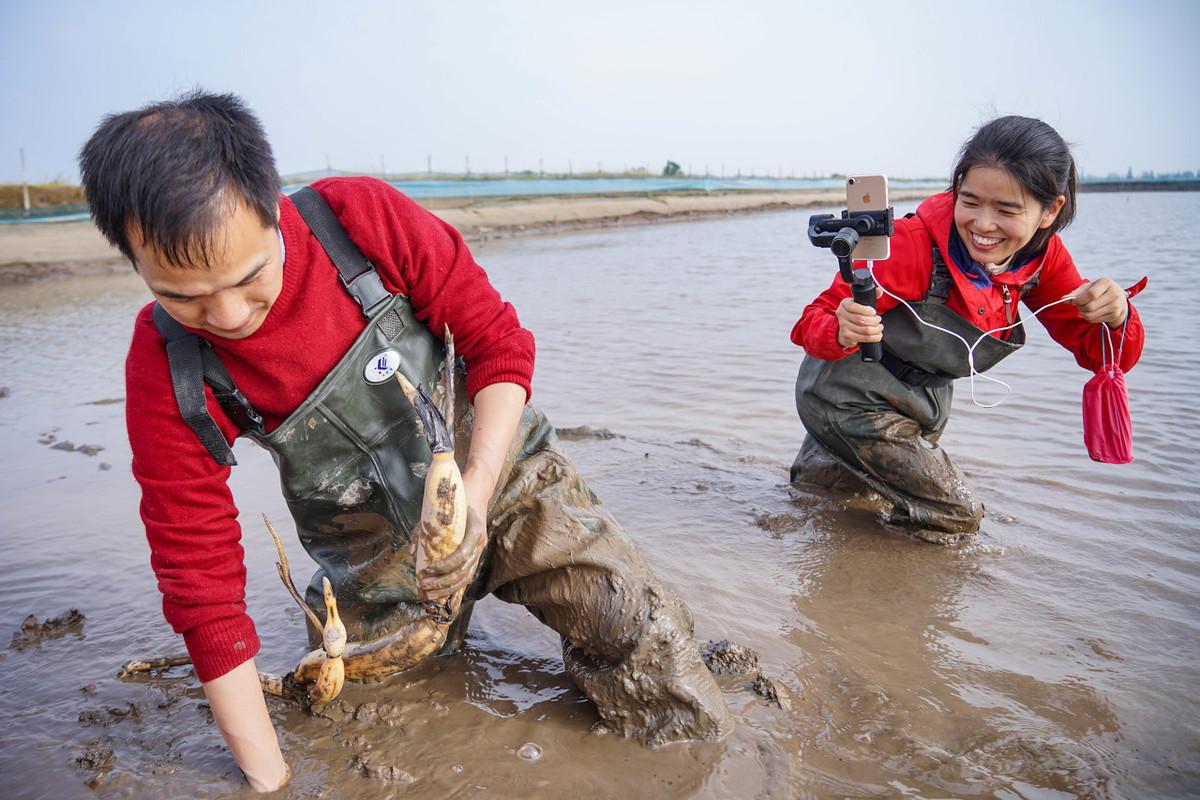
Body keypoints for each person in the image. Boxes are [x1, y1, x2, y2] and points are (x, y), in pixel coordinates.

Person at [80, 91, 731, 792]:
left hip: (505, 480)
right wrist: (267, 778)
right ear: (133, 261)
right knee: (369, 724)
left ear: (274, 208)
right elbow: (198, 574)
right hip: (373, 559)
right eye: (186, 298)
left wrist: (476, 492)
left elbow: (497, 345)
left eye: (250, 279)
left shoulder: (358, 222)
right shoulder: (167, 364)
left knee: (643, 637)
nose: (230, 316)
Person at [790, 116, 1145, 544]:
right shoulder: (911, 243)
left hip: (921, 405)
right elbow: (815, 316)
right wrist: (841, 327)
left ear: (1051, 210)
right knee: (956, 514)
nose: (983, 224)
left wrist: (1117, 316)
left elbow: (1102, 356)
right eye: (970, 201)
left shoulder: (1044, 261)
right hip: (845, 396)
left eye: (1007, 210)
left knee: (826, 499)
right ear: (956, 188)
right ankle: (895, 596)